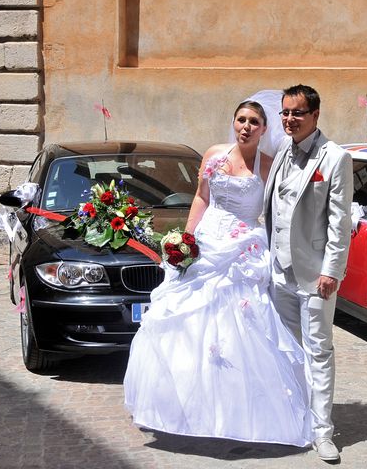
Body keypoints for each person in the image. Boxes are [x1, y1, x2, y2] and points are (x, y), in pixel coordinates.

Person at [123, 100, 312, 447]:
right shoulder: (214, 155)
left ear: (264, 129)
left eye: (254, 121)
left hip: (242, 249)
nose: (246, 126)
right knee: (187, 321)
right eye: (241, 119)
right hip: (207, 244)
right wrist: (186, 238)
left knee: (243, 328)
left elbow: (279, 211)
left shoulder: (269, 167)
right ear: (233, 122)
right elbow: (201, 197)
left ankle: (238, 412)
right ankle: (182, 409)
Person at [264, 85, 353, 461]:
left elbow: (340, 220)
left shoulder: (335, 157)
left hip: (315, 276)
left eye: (297, 113)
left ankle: (322, 432)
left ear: (315, 115)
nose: (289, 119)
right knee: (286, 349)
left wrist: (332, 270)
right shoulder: (283, 150)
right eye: (285, 112)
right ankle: (292, 419)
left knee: (318, 351)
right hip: (279, 270)